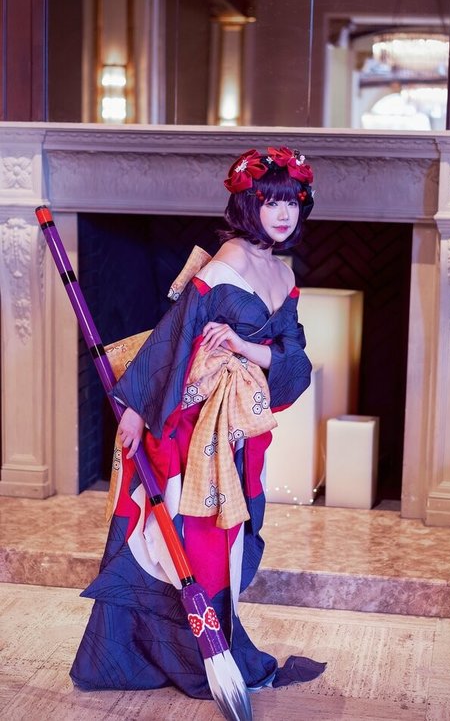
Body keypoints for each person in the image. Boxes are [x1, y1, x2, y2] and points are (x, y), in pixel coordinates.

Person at [70, 145, 326, 697]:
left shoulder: (283, 274)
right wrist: (135, 410)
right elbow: (174, 336)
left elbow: (297, 360)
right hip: (192, 423)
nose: (283, 213)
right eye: (271, 201)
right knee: (192, 544)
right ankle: (171, 651)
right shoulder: (226, 262)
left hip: (238, 427)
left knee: (227, 542)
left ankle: (211, 645)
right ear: (249, 204)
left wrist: (242, 345)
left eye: (292, 202)